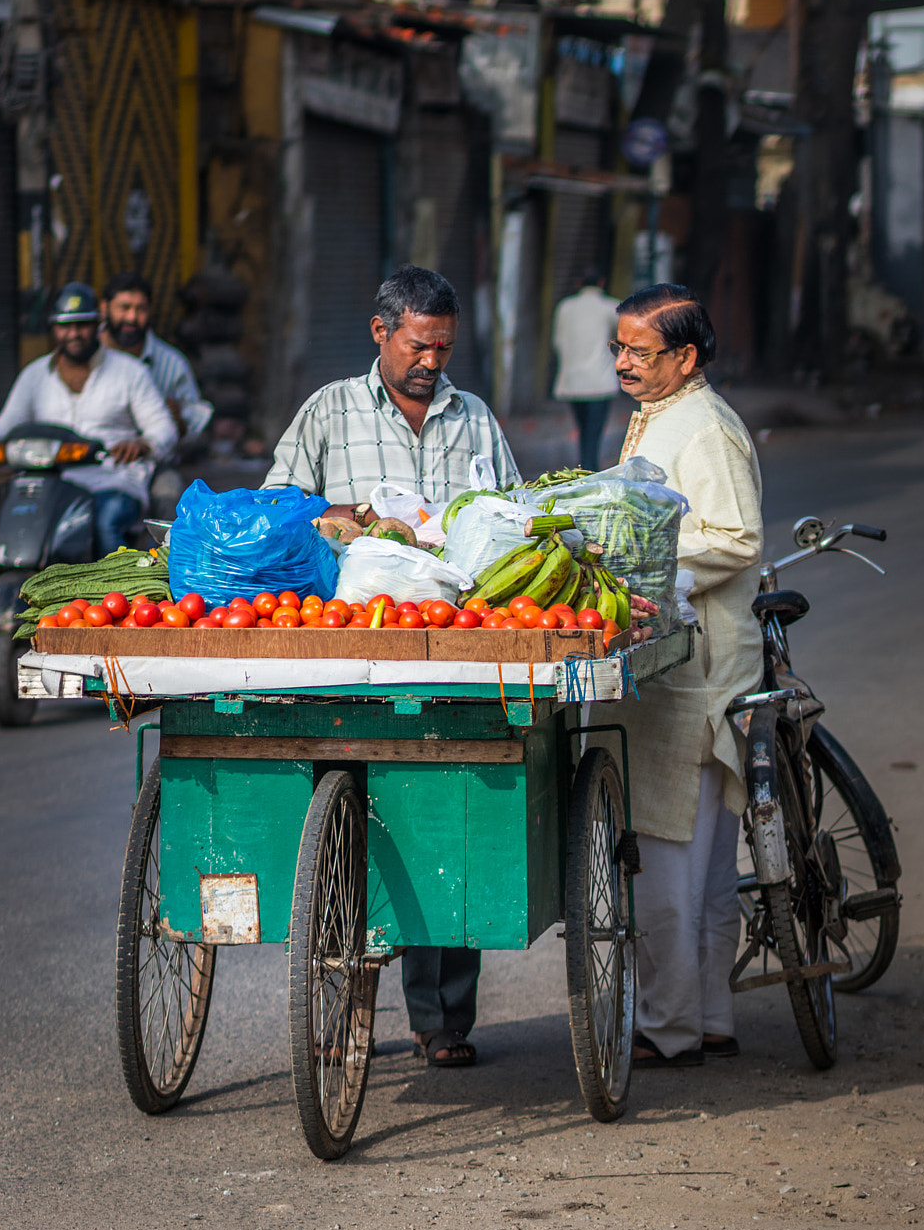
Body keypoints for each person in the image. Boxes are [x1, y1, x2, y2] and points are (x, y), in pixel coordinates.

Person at [264, 264, 521, 1068]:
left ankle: (441, 1020)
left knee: (449, 815)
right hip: (348, 643)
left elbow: (514, 513)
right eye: (419, 344)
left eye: (444, 347)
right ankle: (343, 1004)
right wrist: (334, 517)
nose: (432, 362)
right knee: (347, 831)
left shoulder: (473, 418)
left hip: (451, 646)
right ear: (381, 333)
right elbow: (275, 505)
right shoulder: (330, 411)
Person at [592, 283, 763, 1068]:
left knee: (667, 859)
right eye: (619, 347)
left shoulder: (706, 425)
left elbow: (736, 536)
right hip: (691, 666)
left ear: (685, 357)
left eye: (641, 351)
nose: (625, 362)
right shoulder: (663, 413)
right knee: (699, 864)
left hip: (695, 674)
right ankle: (710, 1018)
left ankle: (671, 1029)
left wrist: (637, 549)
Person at [0, 281, 177, 555]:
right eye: (65, 326)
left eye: (82, 325)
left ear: (98, 324)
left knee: (104, 522)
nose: (74, 334)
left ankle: (117, 593)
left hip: (112, 480)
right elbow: (6, 424)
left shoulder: (130, 372)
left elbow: (163, 427)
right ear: (53, 328)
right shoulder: (35, 375)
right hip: (50, 483)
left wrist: (143, 443)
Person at [100, 271, 212, 442]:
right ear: (104, 308)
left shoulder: (172, 364)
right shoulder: (87, 353)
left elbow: (195, 425)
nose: (132, 317)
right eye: (124, 307)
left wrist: (177, 418)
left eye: (141, 309)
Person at [551, 271, 620, 472]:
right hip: (600, 382)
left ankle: (585, 468)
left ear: (579, 282)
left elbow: (558, 341)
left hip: (573, 381)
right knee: (594, 431)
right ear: (602, 281)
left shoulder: (565, 307)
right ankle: (589, 469)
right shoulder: (610, 307)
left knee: (583, 429)